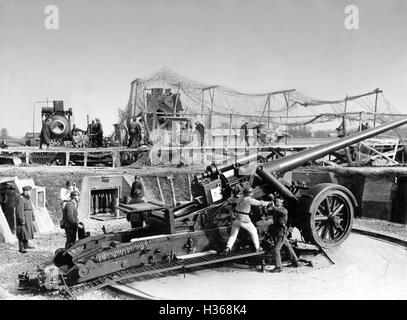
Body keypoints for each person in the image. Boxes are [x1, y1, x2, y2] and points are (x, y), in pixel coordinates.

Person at [223, 185, 271, 254]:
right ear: (250, 193)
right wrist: (268, 203)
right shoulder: (248, 199)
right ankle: (257, 248)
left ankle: (227, 248)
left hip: (236, 218)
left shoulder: (239, 197)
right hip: (244, 220)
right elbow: (259, 203)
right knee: (254, 231)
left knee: (233, 235)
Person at [269, 198, 299, 273]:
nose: (276, 203)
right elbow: (267, 212)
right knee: (288, 246)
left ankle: (278, 267)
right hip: (279, 231)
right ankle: (296, 262)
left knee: (276, 249)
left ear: (280, 203)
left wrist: (273, 207)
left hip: (281, 232)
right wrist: (266, 206)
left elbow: (281, 212)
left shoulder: (283, 210)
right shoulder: (276, 209)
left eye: (276, 202)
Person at [16, 186, 36, 253]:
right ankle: (21, 248)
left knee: (27, 231)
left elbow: (31, 207)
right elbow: (19, 210)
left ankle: (26, 245)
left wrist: (33, 215)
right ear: (25, 191)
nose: (30, 192)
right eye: (29, 191)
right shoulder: (21, 199)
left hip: (28, 216)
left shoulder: (28, 198)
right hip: (24, 217)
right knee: (22, 232)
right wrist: (21, 219)